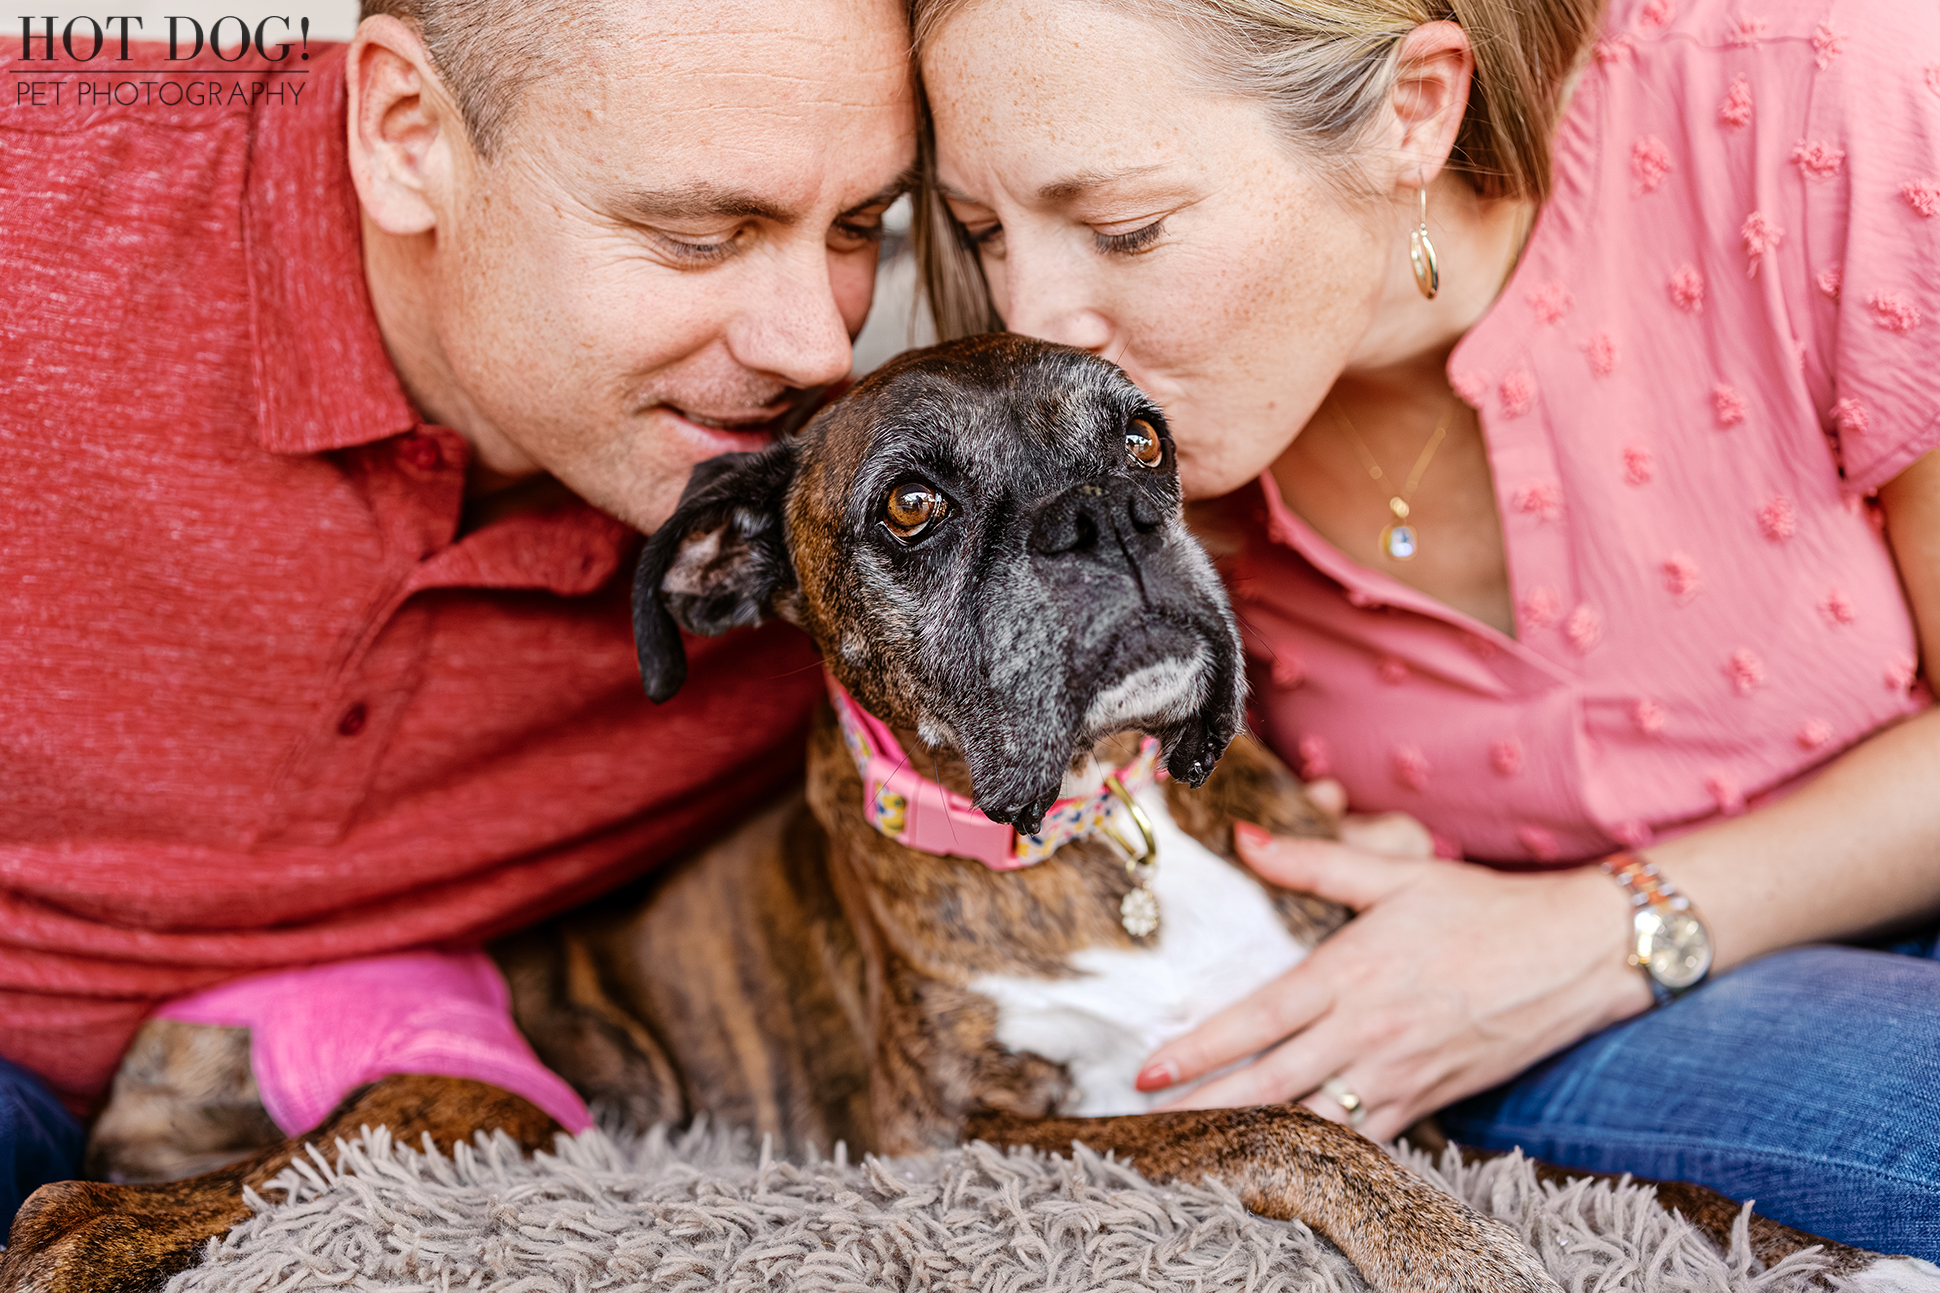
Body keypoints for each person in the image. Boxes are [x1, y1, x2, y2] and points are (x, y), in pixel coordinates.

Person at [912, 0, 1940, 1256]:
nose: (1035, 318)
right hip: (1534, 1018)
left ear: (1413, 109)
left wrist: (1598, 927)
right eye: (978, 230)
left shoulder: (1823, 100)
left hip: (1578, 960)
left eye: (1123, 229)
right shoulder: (1116, 442)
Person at [0, 0, 913, 1225]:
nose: (816, 344)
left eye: (861, 226)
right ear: (405, 132)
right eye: (699, 235)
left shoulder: (865, 516)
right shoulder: (38, 196)